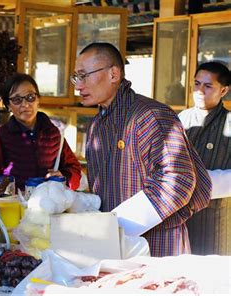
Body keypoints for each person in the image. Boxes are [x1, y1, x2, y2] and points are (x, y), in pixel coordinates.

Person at [72, 42, 211, 257]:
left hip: (158, 245)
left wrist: (120, 225)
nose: (78, 86)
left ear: (114, 74)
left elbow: (179, 179)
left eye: (84, 76)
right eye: (76, 77)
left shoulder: (151, 115)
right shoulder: (96, 127)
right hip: (114, 244)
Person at [0, 73, 82, 191]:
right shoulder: (2, 135)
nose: (25, 104)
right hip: (14, 205)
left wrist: (64, 178)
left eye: (30, 97)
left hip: (50, 204)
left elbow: (73, 168)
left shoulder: (53, 133)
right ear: (8, 106)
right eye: (17, 100)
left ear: (38, 100)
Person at [178, 61, 231, 255]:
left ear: (224, 90)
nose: (200, 90)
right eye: (197, 83)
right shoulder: (181, 119)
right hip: (180, 212)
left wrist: (202, 181)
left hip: (216, 214)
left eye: (208, 86)